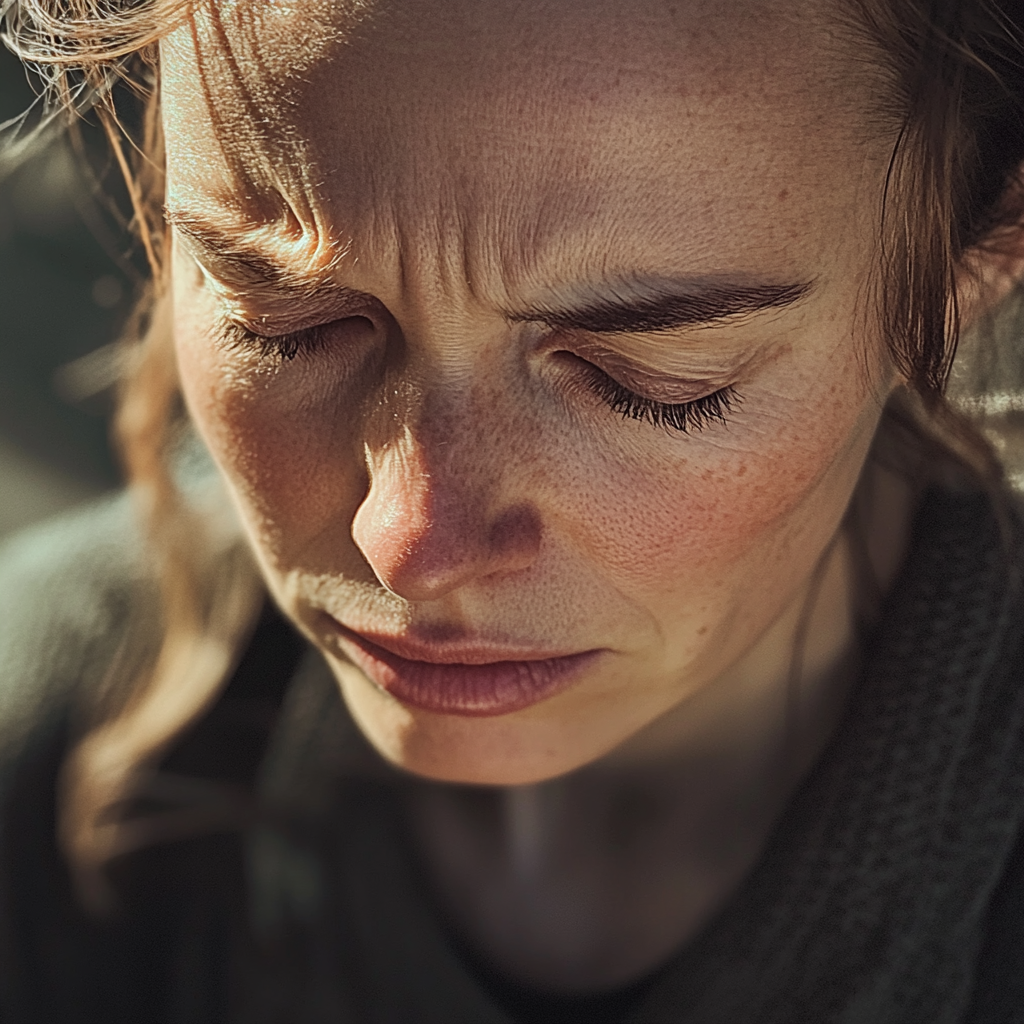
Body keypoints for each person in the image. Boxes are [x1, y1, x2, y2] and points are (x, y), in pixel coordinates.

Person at [1, 0, 1023, 1020]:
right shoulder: (46, 716)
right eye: (284, 323)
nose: (410, 543)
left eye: (646, 379)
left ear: (964, 274)